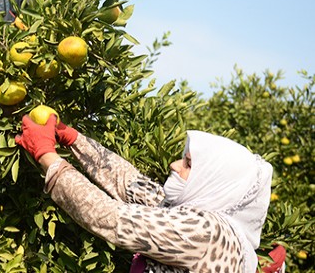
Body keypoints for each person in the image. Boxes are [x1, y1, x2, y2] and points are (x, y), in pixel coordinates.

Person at [15, 115, 276, 272]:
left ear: (215, 182)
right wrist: (74, 140)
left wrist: (47, 156)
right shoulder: (191, 214)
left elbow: (112, 218)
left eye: (188, 164)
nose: (174, 165)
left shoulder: (208, 231)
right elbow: (132, 185)